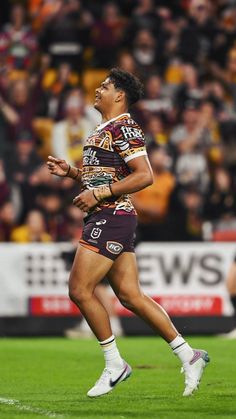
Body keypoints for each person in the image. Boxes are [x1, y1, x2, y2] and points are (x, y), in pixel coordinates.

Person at [47, 68, 209, 398]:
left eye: (105, 86)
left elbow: (144, 175)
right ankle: (188, 354)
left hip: (112, 215)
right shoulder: (103, 129)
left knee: (79, 289)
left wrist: (101, 193)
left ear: (119, 95)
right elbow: (100, 180)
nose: (97, 90)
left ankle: (114, 364)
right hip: (108, 214)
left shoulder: (125, 127)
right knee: (130, 296)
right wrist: (73, 173)